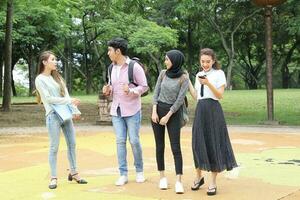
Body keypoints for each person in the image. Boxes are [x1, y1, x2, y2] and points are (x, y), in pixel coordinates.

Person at [188, 48, 237, 196]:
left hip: (214, 110)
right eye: (203, 61)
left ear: (213, 61)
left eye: (208, 61)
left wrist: (208, 83)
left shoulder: (219, 74)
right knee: (197, 143)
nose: (205, 64)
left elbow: (220, 95)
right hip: (201, 110)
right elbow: (197, 96)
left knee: (213, 143)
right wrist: (188, 83)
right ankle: (198, 177)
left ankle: (213, 182)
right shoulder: (198, 75)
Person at [35, 51, 87, 189]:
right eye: (53, 59)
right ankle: (53, 177)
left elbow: (67, 94)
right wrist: (68, 100)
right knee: (54, 147)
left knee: (72, 144)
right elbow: (49, 99)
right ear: (44, 62)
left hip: (66, 115)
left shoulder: (58, 77)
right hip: (53, 116)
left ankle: (74, 173)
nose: (56, 61)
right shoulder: (40, 79)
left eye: (56, 59)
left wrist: (75, 110)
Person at [102, 38, 148, 186]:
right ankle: (123, 174)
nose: (108, 53)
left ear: (118, 51)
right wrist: (107, 90)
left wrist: (132, 90)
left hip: (133, 110)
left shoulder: (134, 67)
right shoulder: (111, 68)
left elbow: (144, 86)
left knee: (134, 141)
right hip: (117, 110)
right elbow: (111, 88)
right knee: (120, 141)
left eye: (109, 50)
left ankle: (139, 171)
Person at [151, 49, 189, 194]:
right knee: (159, 146)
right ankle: (162, 177)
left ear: (175, 61)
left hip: (173, 113)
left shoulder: (184, 78)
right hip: (158, 110)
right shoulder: (162, 73)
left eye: (167, 59)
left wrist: (168, 115)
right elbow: (156, 93)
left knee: (175, 148)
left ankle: (179, 181)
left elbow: (180, 100)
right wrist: (154, 111)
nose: (165, 61)